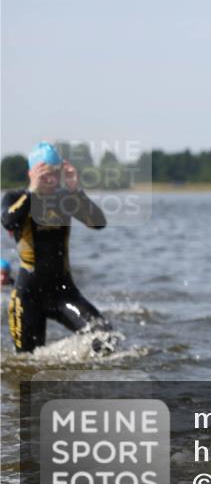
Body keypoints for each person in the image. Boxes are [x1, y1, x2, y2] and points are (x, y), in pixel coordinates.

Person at [1, 142, 113, 353]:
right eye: (44, 173)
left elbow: (98, 222)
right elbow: (8, 221)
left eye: (55, 172)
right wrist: (32, 191)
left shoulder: (65, 198)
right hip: (28, 295)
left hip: (63, 292)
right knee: (26, 363)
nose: (51, 179)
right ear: (31, 173)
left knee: (105, 337)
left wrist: (76, 190)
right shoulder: (16, 197)